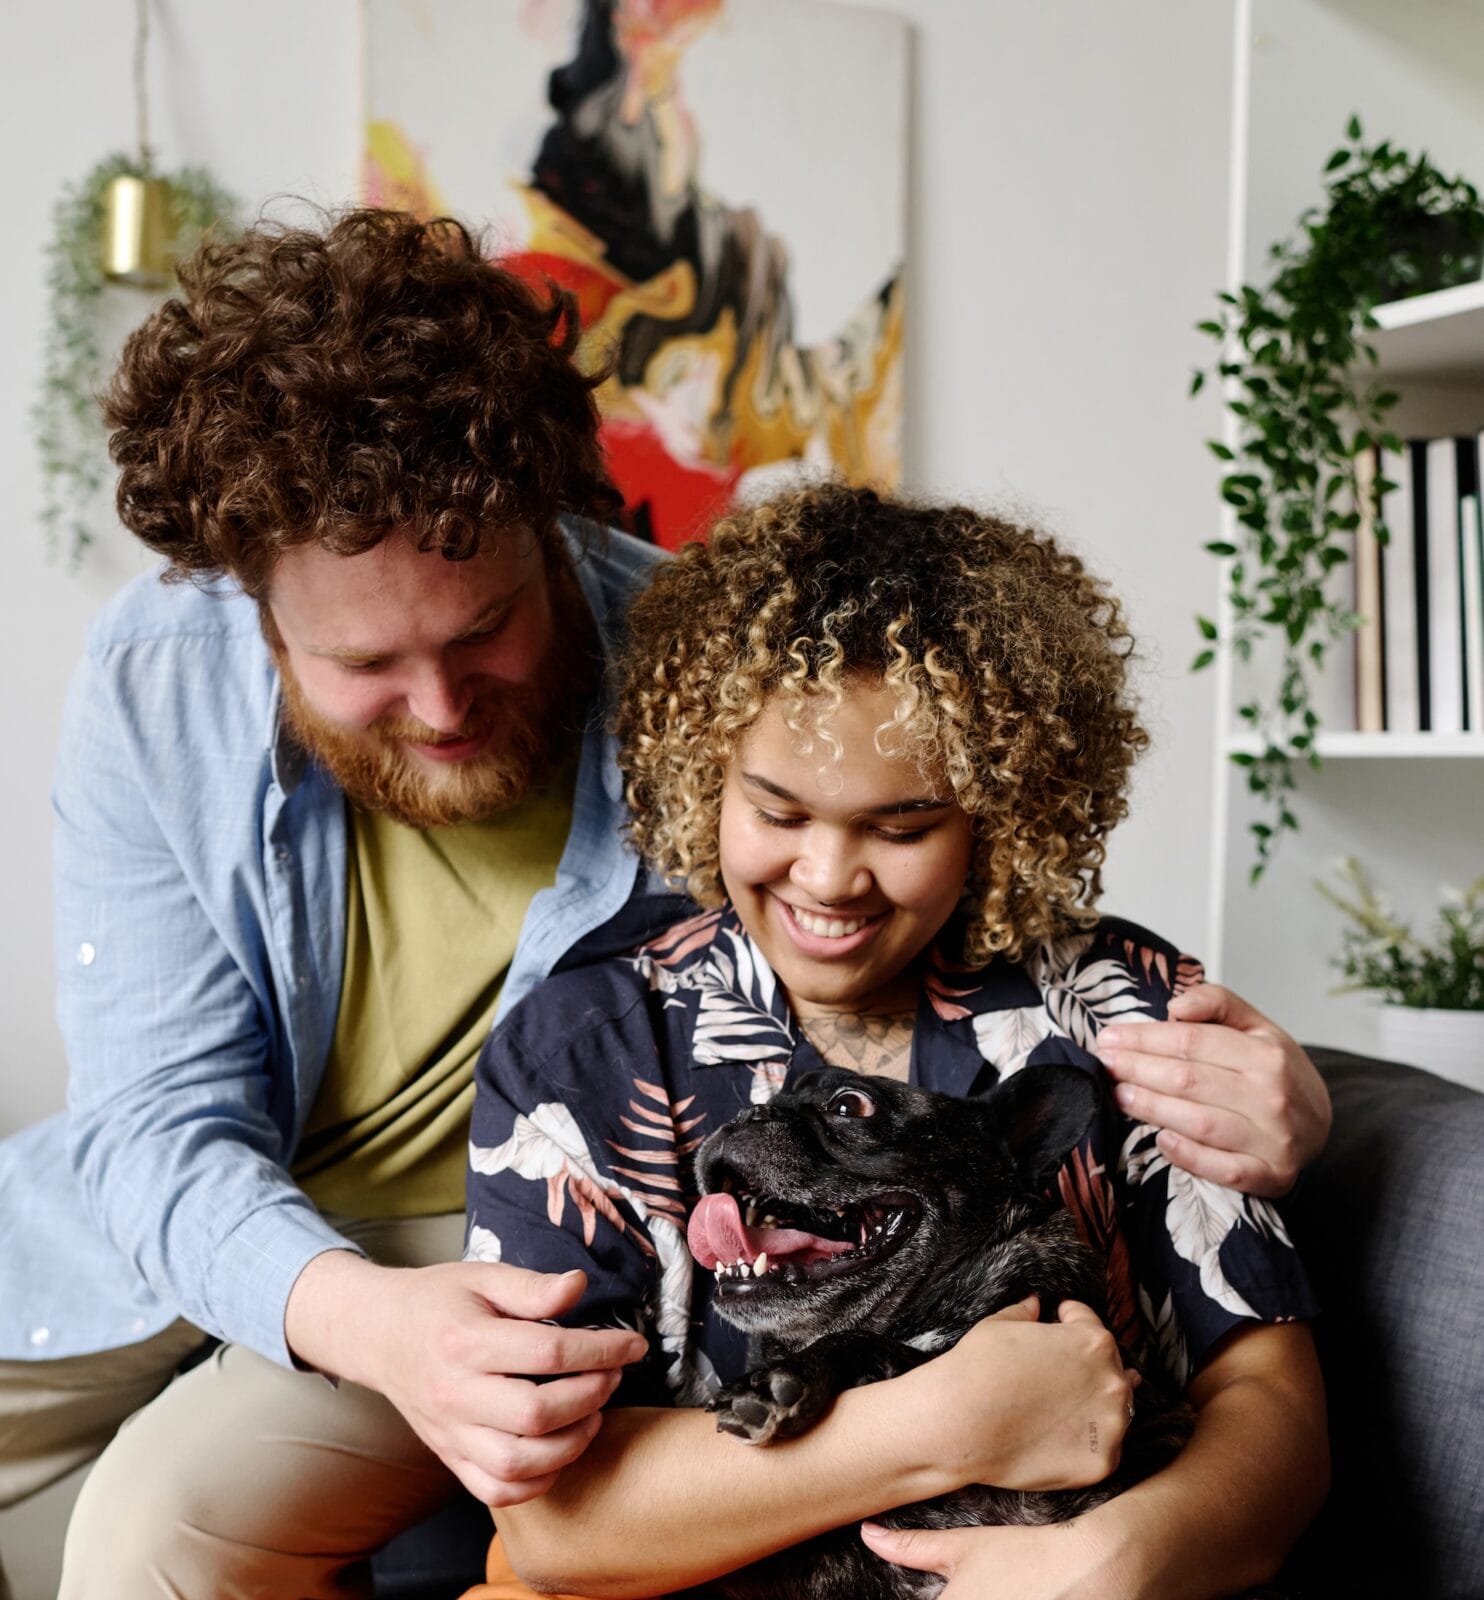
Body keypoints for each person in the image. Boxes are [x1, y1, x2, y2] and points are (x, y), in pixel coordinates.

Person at [0, 208, 1325, 1600]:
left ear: (555, 529)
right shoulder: (164, 678)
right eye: (364, 662)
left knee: (152, 1536)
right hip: (196, 1217)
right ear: (255, 609)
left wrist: (1265, 1091)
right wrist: (363, 1321)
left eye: (481, 629)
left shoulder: (722, 680)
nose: (439, 707)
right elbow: (155, 1121)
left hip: (505, 1239)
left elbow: (978, 904)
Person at [461, 483, 1330, 1600]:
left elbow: (1273, 1409)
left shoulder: (1119, 1009)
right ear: (703, 775)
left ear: (998, 808)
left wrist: (1116, 1559)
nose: (827, 878)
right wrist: (943, 1424)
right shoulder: (579, 1051)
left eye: (902, 825)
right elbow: (558, 1523)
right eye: (777, 812)